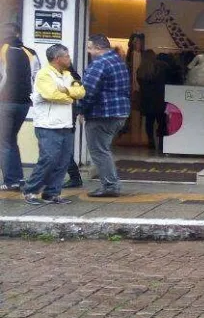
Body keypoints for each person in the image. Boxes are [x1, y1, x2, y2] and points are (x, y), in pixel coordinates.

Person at [24, 44, 84, 205]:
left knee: (63, 161)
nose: (69, 59)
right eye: (67, 56)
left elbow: (81, 92)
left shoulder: (67, 75)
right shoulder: (44, 74)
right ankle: (31, 191)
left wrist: (65, 91)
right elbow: (51, 94)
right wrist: (69, 97)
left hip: (65, 125)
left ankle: (52, 193)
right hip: (48, 125)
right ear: (58, 59)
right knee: (48, 159)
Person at [79, 34, 132, 198]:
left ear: (98, 48)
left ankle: (110, 185)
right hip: (119, 112)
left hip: (102, 113)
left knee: (99, 150)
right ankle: (111, 183)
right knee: (104, 149)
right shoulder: (118, 61)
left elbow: (87, 91)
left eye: (89, 47)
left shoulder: (99, 63)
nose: (88, 51)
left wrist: (80, 110)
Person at [0, 23, 37, 191]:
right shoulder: (30, 52)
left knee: (5, 142)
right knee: (10, 140)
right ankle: (18, 178)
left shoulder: (2, 50)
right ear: (18, 33)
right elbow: (37, 78)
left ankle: (11, 181)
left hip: (5, 102)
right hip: (23, 104)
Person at [135, 49, 169, 151]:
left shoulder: (141, 70)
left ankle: (151, 141)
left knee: (149, 122)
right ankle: (162, 143)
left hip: (147, 100)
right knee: (162, 122)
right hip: (160, 98)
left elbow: (141, 84)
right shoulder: (162, 67)